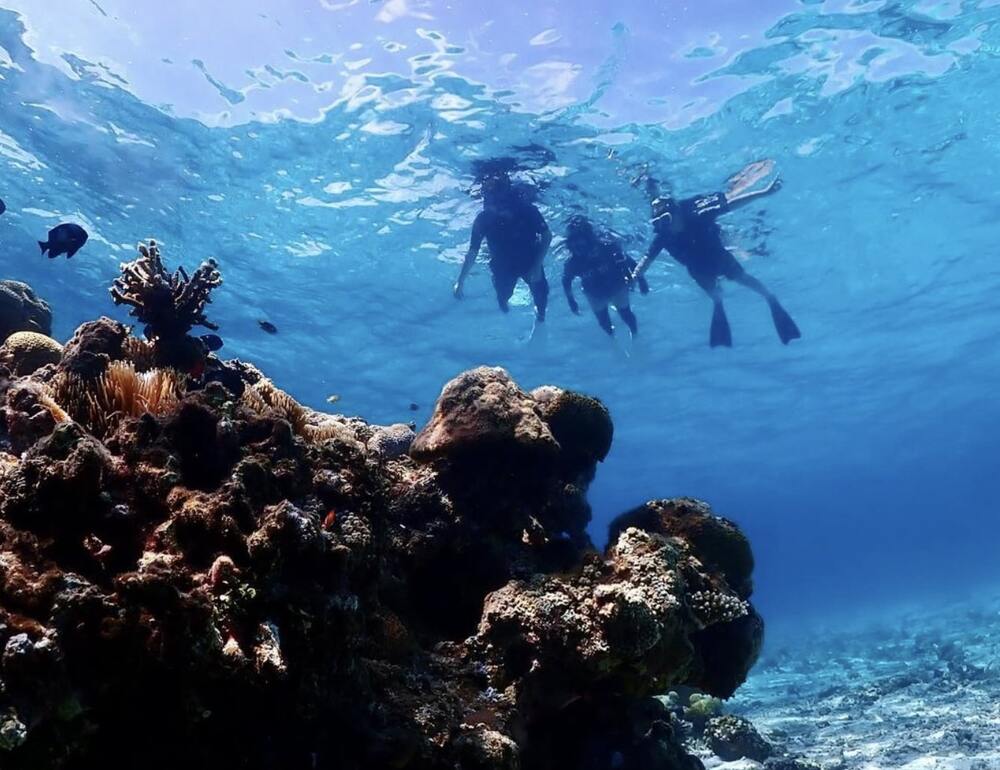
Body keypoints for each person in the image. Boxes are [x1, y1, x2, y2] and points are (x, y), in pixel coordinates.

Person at [632, 166, 801, 347]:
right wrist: (635, 276)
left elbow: (732, 203)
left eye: (666, 219)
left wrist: (763, 193)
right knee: (713, 293)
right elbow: (646, 259)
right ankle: (718, 303)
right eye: (658, 223)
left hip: (720, 258)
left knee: (742, 278)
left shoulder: (698, 215)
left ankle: (770, 298)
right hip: (697, 268)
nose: (664, 226)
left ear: (677, 213)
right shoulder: (663, 236)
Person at [453, 171, 552, 327]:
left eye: (500, 203)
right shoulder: (484, 219)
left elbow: (546, 236)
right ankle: (504, 305)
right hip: (502, 265)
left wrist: (537, 265)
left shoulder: (527, 210)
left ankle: (540, 317)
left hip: (530, 260)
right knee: (503, 295)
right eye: (492, 202)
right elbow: (472, 252)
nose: (498, 210)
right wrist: (460, 281)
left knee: (541, 294)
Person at [562, 216, 648, 338]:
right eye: (574, 243)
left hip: (617, 286)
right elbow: (566, 281)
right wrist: (571, 301)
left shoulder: (608, 247)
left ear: (590, 240)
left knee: (625, 314)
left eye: (581, 243)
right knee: (603, 321)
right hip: (594, 293)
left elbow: (631, 263)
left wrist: (642, 281)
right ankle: (612, 337)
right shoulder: (572, 263)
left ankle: (635, 335)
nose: (578, 248)